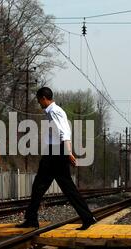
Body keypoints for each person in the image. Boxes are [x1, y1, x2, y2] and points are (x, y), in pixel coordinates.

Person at [16, 87, 96, 230]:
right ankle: (32, 219)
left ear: (44, 98)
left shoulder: (54, 111)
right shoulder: (54, 111)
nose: (39, 103)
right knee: (45, 186)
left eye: (39, 100)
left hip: (57, 152)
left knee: (53, 186)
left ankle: (87, 217)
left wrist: (68, 152)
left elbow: (64, 132)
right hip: (54, 152)